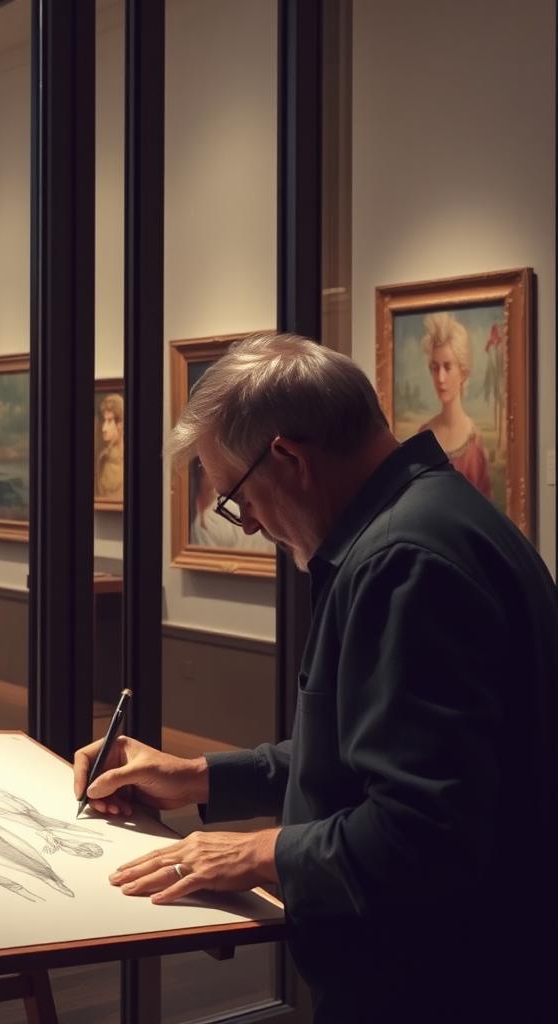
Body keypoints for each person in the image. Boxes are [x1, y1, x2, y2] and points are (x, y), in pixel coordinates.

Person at [73, 333, 557, 1022]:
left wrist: (260, 850)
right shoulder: (427, 522)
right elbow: (380, 756)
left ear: (289, 459)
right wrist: (198, 776)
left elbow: (424, 831)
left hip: (441, 990)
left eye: (237, 500)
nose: (247, 528)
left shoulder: (404, 562)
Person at [417, 311, 492, 497]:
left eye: (448, 367)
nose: (440, 378)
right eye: (435, 368)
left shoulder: (474, 444)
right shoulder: (424, 435)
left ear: (464, 372)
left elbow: (482, 511)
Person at [95, 393, 124, 501]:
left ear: (120, 425)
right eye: (104, 421)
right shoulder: (101, 460)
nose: (104, 428)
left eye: (109, 421)